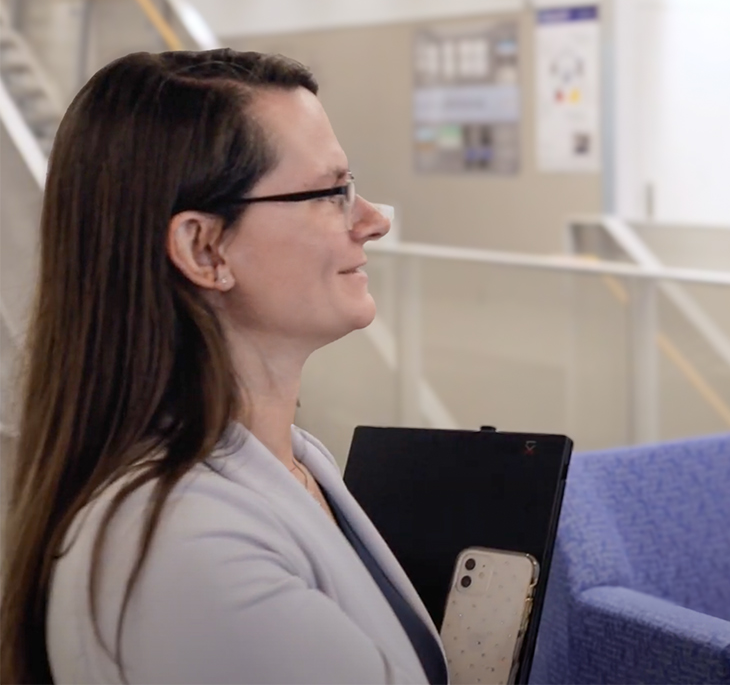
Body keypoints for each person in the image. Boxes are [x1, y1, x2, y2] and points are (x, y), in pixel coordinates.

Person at [0, 50, 447, 684]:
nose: (373, 221)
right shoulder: (183, 549)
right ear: (204, 249)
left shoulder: (290, 456)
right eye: (334, 192)